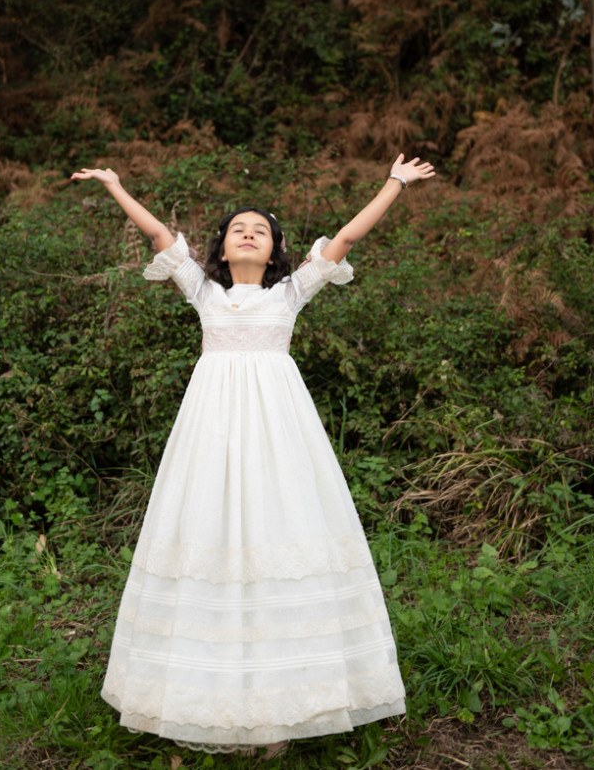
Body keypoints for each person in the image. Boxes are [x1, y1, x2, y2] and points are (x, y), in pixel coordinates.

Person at [71, 154, 435, 758]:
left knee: (277, 529)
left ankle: (277, 711)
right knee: (211, 534)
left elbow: (344, 236)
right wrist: (115, 186)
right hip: (211, 430)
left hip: (278, 432)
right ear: (221, 249)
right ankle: (214, 702)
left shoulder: (290, 294)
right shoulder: (204, 290)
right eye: (237, 227)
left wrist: (394, 184)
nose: (247, 233)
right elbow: (160, 235)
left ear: (274, 253)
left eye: (259, 230)